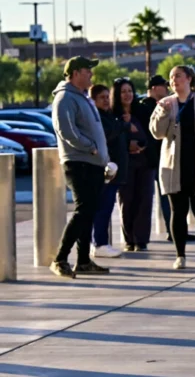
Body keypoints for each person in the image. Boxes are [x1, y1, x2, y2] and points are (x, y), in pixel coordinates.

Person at [150, 65, 195, 269]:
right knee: (178, 211)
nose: (174, 80)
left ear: (189, 79)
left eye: (178, 76)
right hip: (175, 166)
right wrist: (162, 114)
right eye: (172, 77)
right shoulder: (165, 103)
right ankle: (180, 255)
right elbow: (156, 133)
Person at [50, 56, 110, 277]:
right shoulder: (65, 98)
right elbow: (66, 131)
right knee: (83, 210)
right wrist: (90, 147)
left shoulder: (83, 97)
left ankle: (83, 261)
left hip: (92, 163)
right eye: (87, 70)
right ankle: (60, 259)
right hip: (79, 163)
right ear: (75, 73)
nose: (91, 74)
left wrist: (102, 156)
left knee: (89, 212)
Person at [138, 75, 195, 243]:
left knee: (172, 197)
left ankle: (177, 231)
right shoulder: (146, 107)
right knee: (164, 198)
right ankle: (173, 231)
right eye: (164, 86)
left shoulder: (166, 104)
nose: (168, 89)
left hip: (163, 157)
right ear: (155, 88)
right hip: (151, 159)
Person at [111, 78, 154, 252]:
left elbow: (152, 134)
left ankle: (141, 239)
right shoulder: (112, 114)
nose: (127, 95)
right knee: (126, 200)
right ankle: (129, 238)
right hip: (125, 163)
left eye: (130, 91)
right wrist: (127, 141)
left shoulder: (142, 111)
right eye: (123, 91)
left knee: (144, 200)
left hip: (145, 161)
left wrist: (140, 142)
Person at [89, 84, 125, 259]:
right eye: (101, 97)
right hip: (104, 169)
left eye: (107, 96)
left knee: (106, 207)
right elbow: (106, 135)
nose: (106, 100)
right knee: (102, 207)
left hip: (114, 170)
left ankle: (99, 242)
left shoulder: (109, 116)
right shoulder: (97, 118)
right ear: (94, 100)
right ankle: (99, 243)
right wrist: (122, 126)